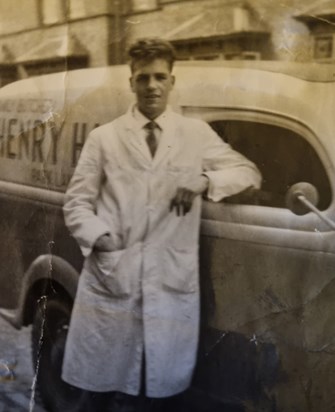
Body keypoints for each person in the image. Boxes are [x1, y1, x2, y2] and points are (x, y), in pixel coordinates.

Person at [62, 38, 261, 411]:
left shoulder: (195, 134)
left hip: (170, 280)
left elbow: (249, 172)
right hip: (115, 274)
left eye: (159, 77)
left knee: (158, 390)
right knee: (105, 388)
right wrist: (100, 239)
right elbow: (76, 202)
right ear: (131, 82)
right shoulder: (104, 138)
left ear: (172, 80)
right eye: (142, 78)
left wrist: (204, 180)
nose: (151, 86)